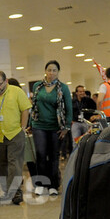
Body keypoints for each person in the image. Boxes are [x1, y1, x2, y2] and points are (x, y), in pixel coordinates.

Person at [0, 71, 31, 205]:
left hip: (14, 134)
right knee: (1, 165)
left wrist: (22, 128)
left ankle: (16, 192)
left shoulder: (16, 92)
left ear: (6, 81)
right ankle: (7, 191)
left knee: (14, 163)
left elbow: (25, 109)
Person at [29, 60, 72, 196]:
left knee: (54, 156)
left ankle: (53, 185)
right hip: (39, 125)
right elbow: (33, 106)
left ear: (58, 72)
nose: (51, 73)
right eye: (49, 70)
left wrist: (66, 127)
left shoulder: (63, 88)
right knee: (41, 154)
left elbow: (69, 108)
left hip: (56, 127)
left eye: (54, 70)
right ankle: (40, 184)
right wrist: (30, 124)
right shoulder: (37, 86)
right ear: (45, 71)